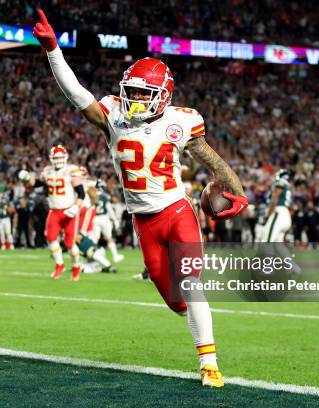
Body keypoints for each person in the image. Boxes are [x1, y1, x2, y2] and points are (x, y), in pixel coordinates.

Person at [34, 10, 247, 387]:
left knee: (192, 286)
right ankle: (196, 330)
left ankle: (209, 365)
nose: (132, 99)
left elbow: (213, 161)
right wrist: (53, 50)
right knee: (178, 303)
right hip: (143, 223)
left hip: (177, 211)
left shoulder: (179, 122)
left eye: (141, 93)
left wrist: (238, 190)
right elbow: (76, 92)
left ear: (163, 96)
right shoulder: (112, 116)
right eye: (129, 91)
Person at [20, 145, 86, 281]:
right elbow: (36, 183)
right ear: (51, 159)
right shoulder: (47, 171)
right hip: (54, 211)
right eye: (55, 158)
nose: (58, 160)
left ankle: (76, 266)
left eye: (60, 158)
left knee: (69, 244)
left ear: (66, 157)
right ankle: (59, 264)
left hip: (69, 210)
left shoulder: (72, 170)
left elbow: (81, 193)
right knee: (50, 238)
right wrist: (27, 178)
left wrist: (75, 207)